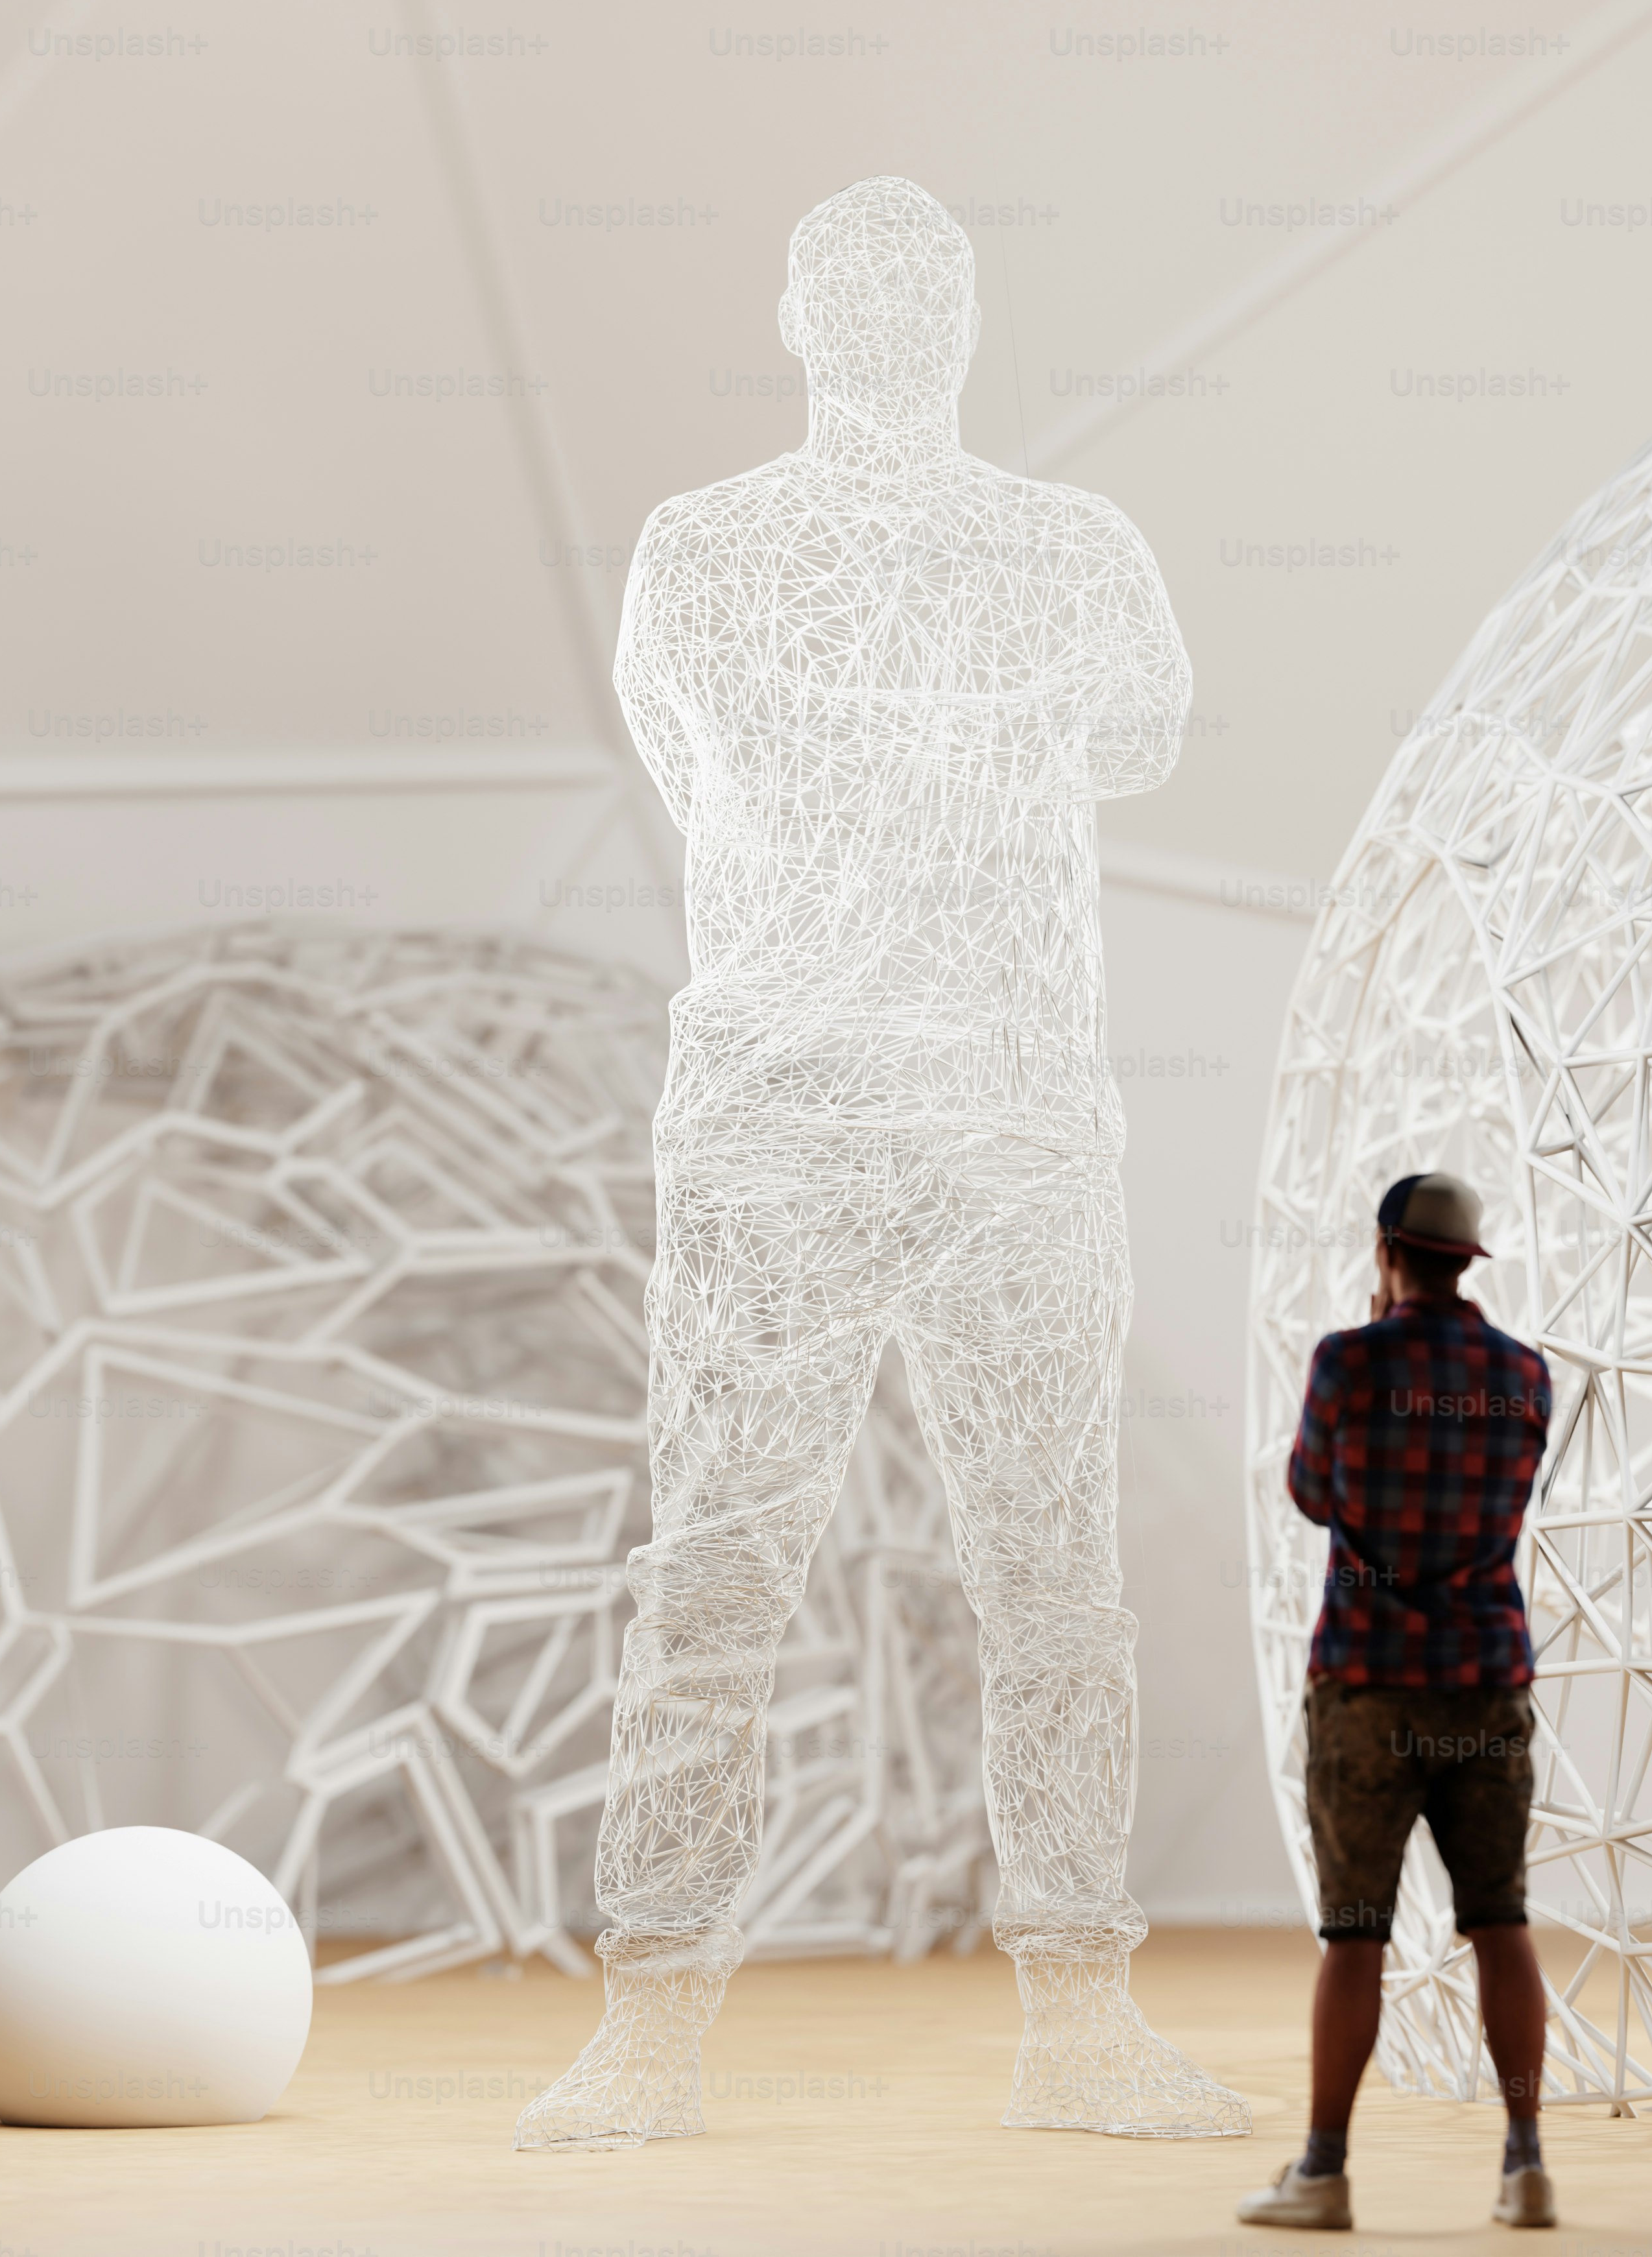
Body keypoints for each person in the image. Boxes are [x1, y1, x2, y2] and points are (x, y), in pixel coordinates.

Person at [519, 176, 1239, 2149]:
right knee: (721, 1571)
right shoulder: (723, 554)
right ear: (805, 317)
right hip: (795, 1117)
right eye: (866, 286)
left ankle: (1076, 2017)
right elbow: (1085, 747)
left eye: (919, 287)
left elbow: (1136, 738)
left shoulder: (1052, 549)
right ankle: (651, 2020)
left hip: (991, 1116)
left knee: (1048, 1579)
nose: (892, 318)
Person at [1239, 1172, 1559, 2231]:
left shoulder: (1347, 1361)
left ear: (1387, 1253)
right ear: (1468, 1265)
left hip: (1371, 1684)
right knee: (1502, 1924)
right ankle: (1525, 2167)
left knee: (1356, 1933)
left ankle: (1323, 2173)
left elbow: (1310, 1493)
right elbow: (1507, 1497)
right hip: (1486, 1680)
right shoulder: (1524, 1375)